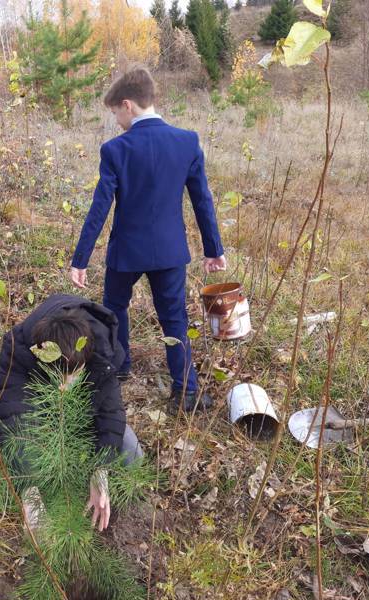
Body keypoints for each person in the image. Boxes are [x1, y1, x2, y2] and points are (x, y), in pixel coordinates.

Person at [69, 67, 226, 414]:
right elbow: (202, 200)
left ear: (128, 105)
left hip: (125, 254)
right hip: (170, 252)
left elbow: (100, 208)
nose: (116, 121)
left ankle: (119, 368)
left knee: (114, 310)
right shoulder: (186, 141)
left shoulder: (116, 149)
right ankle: (185, 390)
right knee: (174, 320)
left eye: (115, 113)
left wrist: (80, 259)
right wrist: (213, 249)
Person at [0, 294, 143, 532]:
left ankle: (95, 491)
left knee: (131, 451)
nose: (64, 386)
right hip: (41, 419)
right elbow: (13, 421)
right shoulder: (18, 355)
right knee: (31, 464)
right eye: (56, 376)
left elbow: (110, 413)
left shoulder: (101, 353)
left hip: (81, 418)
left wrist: (100, 470)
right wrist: (29, 492)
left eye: (73, 374)